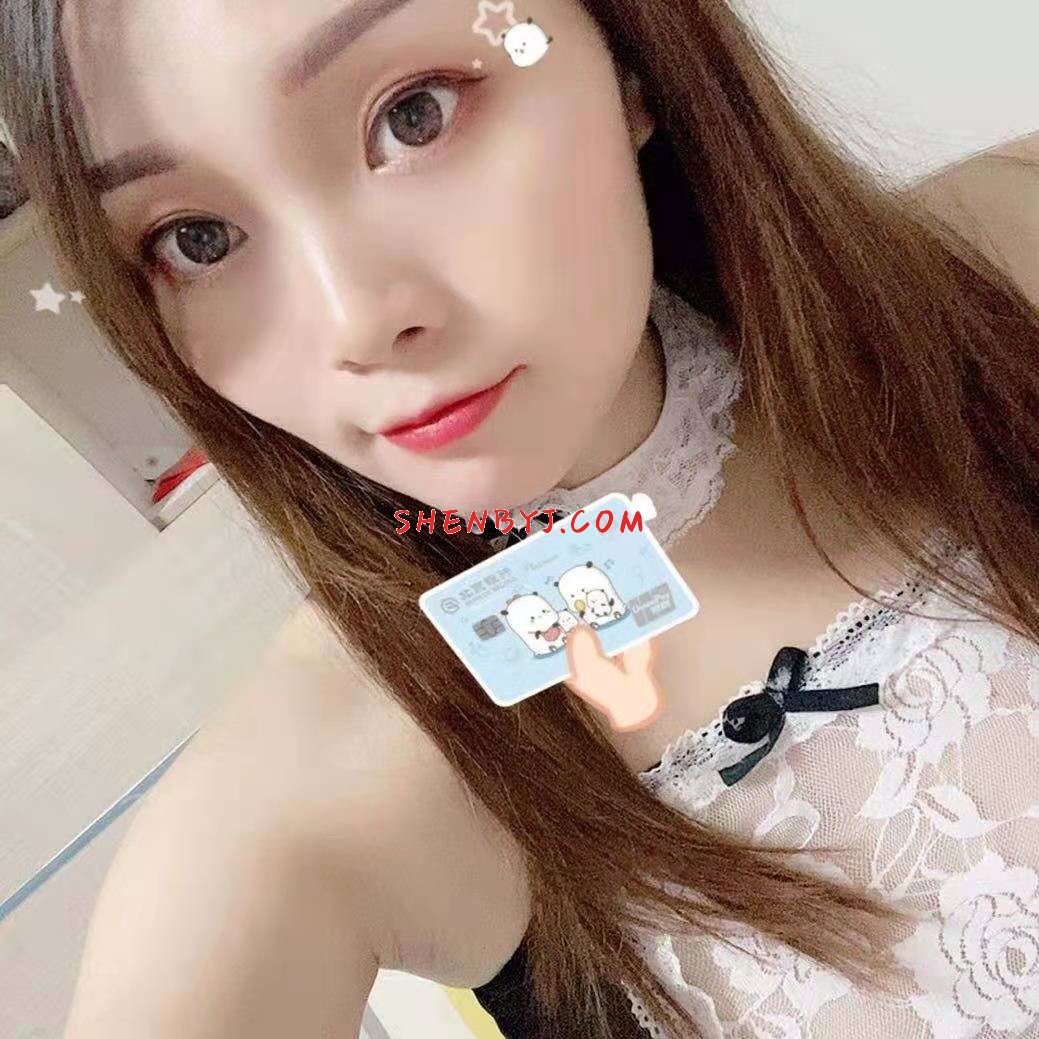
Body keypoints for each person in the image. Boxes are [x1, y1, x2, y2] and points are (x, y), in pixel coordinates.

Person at [2, 0, 1037, 1035]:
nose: (356, 318)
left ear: (626, 57)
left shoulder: (1006, 244)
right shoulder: (315, 787)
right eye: (198, 240)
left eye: (414, 113)